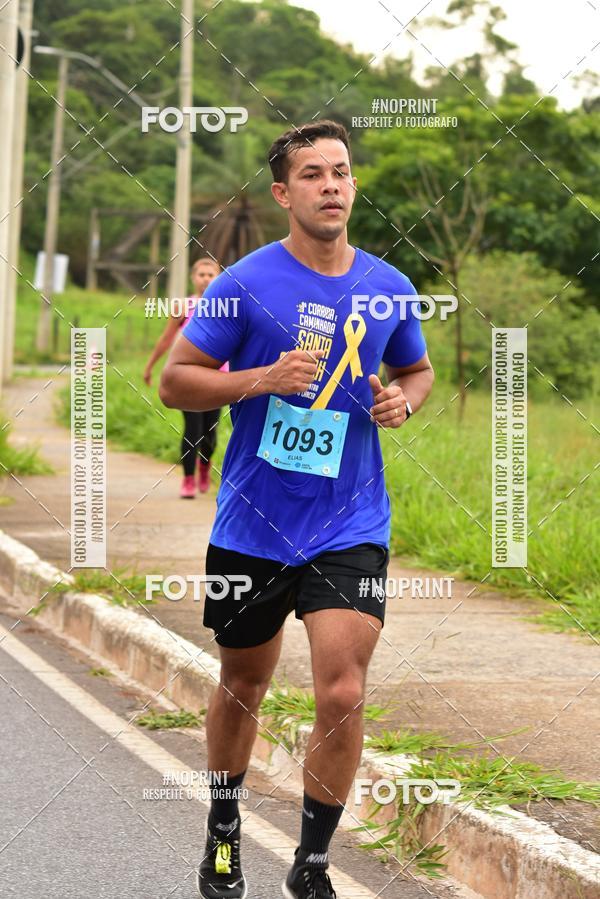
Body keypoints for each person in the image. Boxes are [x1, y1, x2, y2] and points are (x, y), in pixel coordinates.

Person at [160, 120, 434, 899]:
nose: (332, 186)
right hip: (252, 522)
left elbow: (416, 370)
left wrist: (400, 405)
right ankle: (223, 828)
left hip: (350, 521)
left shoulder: (388, 285)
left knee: (342, 691)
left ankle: (312, 864)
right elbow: (178, 381)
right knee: (243, 679)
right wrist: (261, 378)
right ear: (284, 193)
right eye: (312, 175)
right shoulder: (243, 283)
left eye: (341, 172)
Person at [144, 257, 224, 498]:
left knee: (210, 431)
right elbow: (166, 339)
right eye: (201, 274)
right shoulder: (182, 307)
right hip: (188, 378)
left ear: (218, 277)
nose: (206, 279)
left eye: (211, 274)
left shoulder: (226, 307)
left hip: (218, 380)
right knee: (193, 428)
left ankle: (204, 467)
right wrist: (150, 366)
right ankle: (188, 479)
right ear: (193, 278)